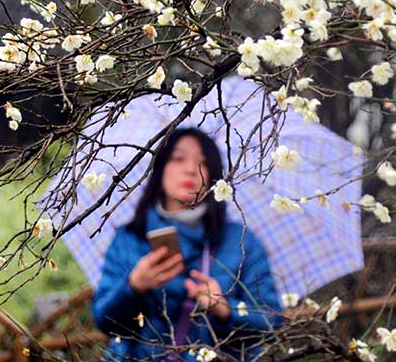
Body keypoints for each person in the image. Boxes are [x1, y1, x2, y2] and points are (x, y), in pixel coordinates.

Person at [92, 127, 282, 361]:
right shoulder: (129, 238)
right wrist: (133, 287)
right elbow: (104, 321)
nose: (191, 169)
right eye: (178, 158)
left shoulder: (240, 241)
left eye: (202, 163)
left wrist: (224, 308)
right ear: (160, 167)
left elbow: (270, 321)